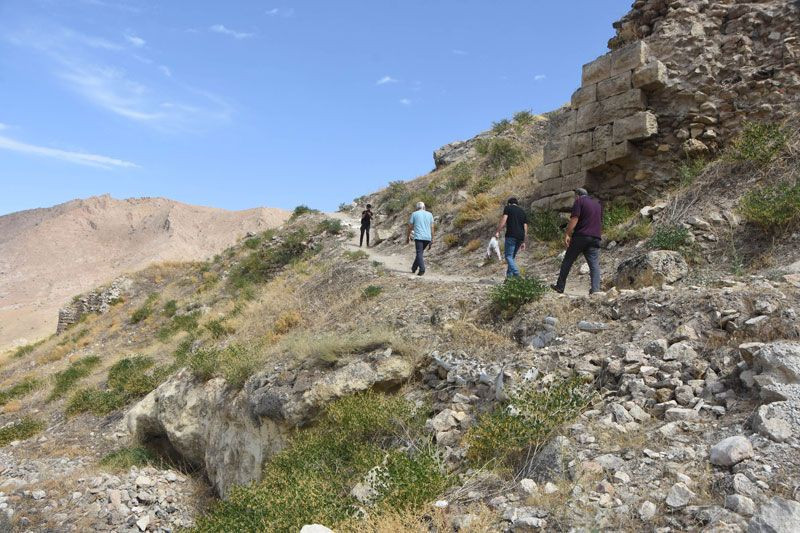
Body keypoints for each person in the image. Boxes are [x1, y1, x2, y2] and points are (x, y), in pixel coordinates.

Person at [551, 188, 602, 294]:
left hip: (581, 236)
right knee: (594, 265)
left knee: (568, 261)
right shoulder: (597, 204)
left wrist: (567, 234)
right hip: (595, 237)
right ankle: (596, 290)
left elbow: (574, 219)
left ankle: (560, 286)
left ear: (577, 195)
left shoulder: (579, 201)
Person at [494, 197, 528, 277]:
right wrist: (524, 241)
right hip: (520, 237)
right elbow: (525, 227)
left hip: (511, 235)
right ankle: (509, 279)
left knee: (508, 256)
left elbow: (504, 220)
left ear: (509, 203)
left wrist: (498, 231)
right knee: (511, 257)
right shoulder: (522, 212)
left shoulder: (508, 208)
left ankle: (516, 274)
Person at [406, 201, 434, 276]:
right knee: (420, 253)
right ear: (424, 207)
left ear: (416, 208)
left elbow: (410, 226)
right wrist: (432, 239)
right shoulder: (430, 214)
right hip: (427, 237)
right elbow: (432, 227)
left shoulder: (414, 214)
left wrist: (408, 237)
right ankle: (414, 268)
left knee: (419, 253)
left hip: (419, 237)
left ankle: (422, 269)